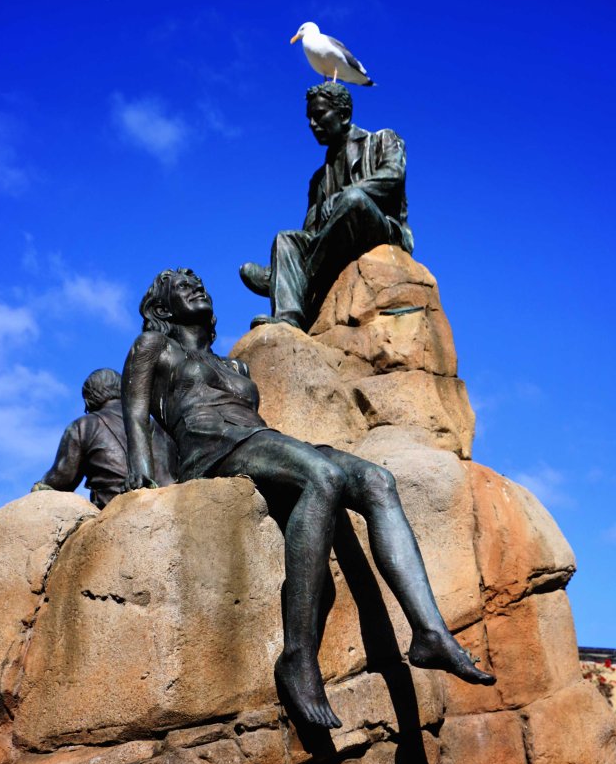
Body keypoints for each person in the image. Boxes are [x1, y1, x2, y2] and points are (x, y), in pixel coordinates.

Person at [122, 268, 495, 730]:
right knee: (323, 476)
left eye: (198, 282)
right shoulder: (154, 347)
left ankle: (430, 632)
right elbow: (135, 414)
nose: (196, 287)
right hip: (212, 449)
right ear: (162, 307)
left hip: (259, 441)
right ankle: (297, 656)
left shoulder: (235, 367)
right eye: (183, 287)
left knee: (377, 480)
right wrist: (141, 477)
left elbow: (262, 435)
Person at [240, 82, 414, 330]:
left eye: (319, 115)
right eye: (309, 118)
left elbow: (393, 175)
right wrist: (291, 254)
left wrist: (346, 193)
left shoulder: (382, 139)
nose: (312, 124)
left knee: (353, 200)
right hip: (334, 242)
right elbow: (311, 229)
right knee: (286, 239)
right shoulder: (319, 179)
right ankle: (289, 317)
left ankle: (294, 276)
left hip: (380, 230)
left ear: (344, 115)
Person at [32, 368, 175, 509]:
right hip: (169, 503)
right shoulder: (160, 426)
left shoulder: (84, 426)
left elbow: (62, 479)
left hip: (118, 509)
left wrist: (41, 485)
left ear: (89, 399)